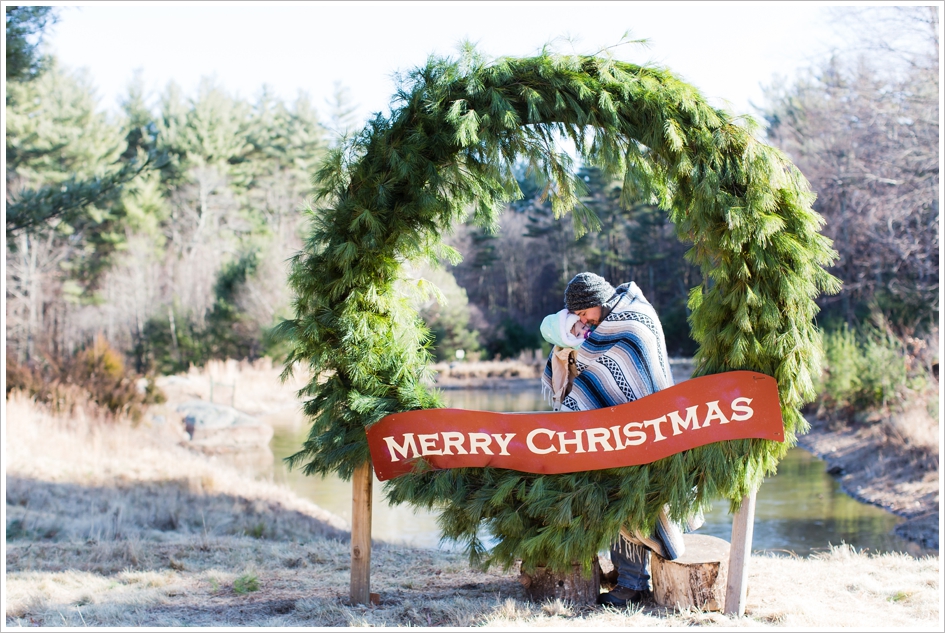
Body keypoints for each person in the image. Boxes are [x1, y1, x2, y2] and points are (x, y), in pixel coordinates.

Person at [540, 272, 694, 607]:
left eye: (584, 314)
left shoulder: (633, 320)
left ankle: (633, 583)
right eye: (579, 317)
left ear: (599, 302)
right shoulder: (602, 326)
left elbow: (625, 369)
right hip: (615, 433)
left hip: (647, 431)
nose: (583, 321)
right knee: (615, 500)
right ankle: (627, 575)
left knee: (634, 501)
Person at [539, 309, 591, 410]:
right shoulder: (569, 352)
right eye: (578, 335)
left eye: (584, 327)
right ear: (571, 340)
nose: (585, 332)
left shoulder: (600, 332)